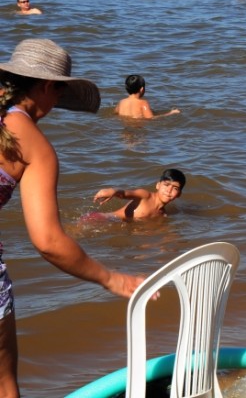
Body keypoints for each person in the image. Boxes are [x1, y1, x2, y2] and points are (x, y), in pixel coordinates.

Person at [0, 39, 144, 394]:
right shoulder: (34, 145)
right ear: (47, 87)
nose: (57, 104)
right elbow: (48, 242)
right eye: (60, 92)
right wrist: (110, 278)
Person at [93, 169, 185, 220]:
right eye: (166, 185)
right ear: (158, 185)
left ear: (179, 194)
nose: (169, 190)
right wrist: (113, 191)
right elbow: (126, 194)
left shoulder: (162, 214)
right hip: (101, 219)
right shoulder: (145, 196)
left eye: (175, 188)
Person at [115, 75, 180, 119]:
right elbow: (151, 118)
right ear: (142, 89)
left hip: (126, 131)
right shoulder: (143, 103)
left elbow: (116, 113)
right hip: (137, 130)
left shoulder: (121, 102)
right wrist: (170, 113)